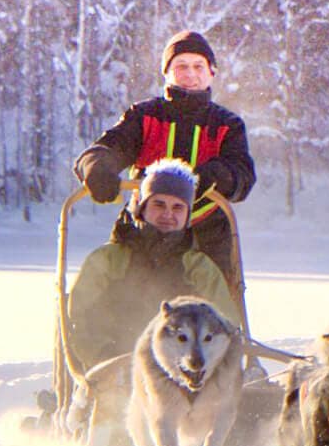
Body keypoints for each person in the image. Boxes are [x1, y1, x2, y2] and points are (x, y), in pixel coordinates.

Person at [73, 30, 255, 282]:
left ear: (211, 72)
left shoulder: (227, 124)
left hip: (206, 233)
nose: (190, 74)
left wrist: (215, 175)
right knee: (113, 297)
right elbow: (107, 148)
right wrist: (97, 166)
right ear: (167, 72)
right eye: (181, 66)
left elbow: (242, 176)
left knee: (215, 307)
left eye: (198, 66)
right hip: (141, 230)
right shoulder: (144, 115)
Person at [66, 159, 241, 372]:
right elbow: (79, 318)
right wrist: (104, 359)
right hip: (111, 370)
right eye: (159, 204)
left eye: (177, 207)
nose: (168, 214)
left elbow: (226, 327)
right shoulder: (108, 260)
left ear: (187, 216)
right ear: (142, 208)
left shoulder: (199, 268)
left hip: (182, 375)